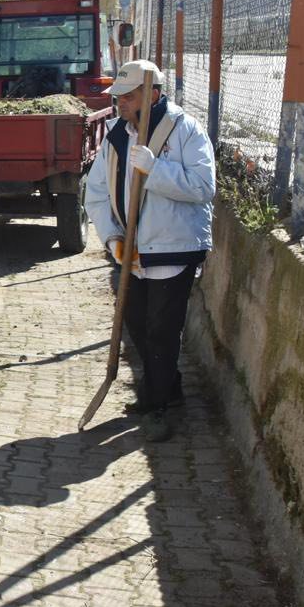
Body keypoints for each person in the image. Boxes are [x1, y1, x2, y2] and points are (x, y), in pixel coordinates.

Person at [83, 60, 215, 442]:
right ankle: (167, 389)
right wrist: (112, 239)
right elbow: (96, 194)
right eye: (118, 97)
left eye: (128, 96)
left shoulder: (185, 130)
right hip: (134, 252)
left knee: (162, 331)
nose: (120, 103)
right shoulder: (117, 137)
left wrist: (155, 171)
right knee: (138, 324)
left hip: (175, 248)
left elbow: (203, 188)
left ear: (153, 94)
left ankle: (155, 406)